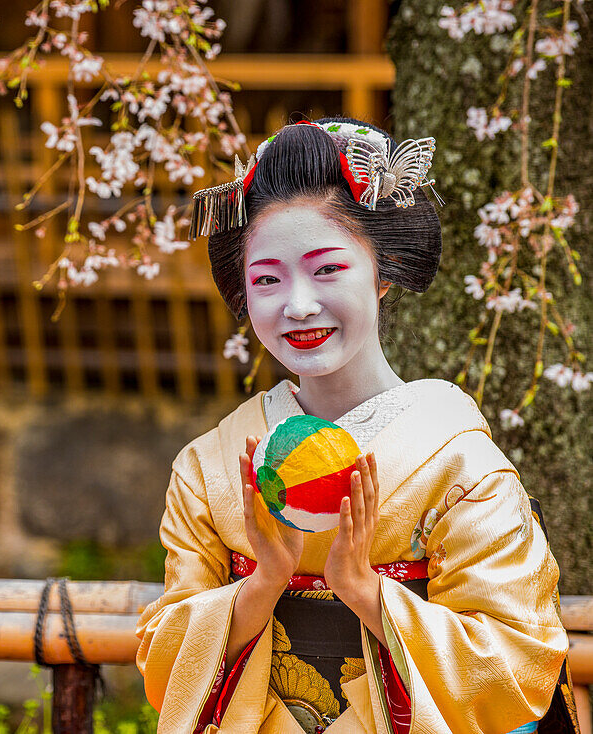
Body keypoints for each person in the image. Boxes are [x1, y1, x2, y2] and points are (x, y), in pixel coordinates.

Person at [135, 118, 579, 734]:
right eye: (267, 279)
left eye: (327, 269)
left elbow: (514, 668)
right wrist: (263, 585)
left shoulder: (458, 464)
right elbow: (165, 670)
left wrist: (365, 590)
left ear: (384, 269)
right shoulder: (208, 468)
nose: (297, 305)